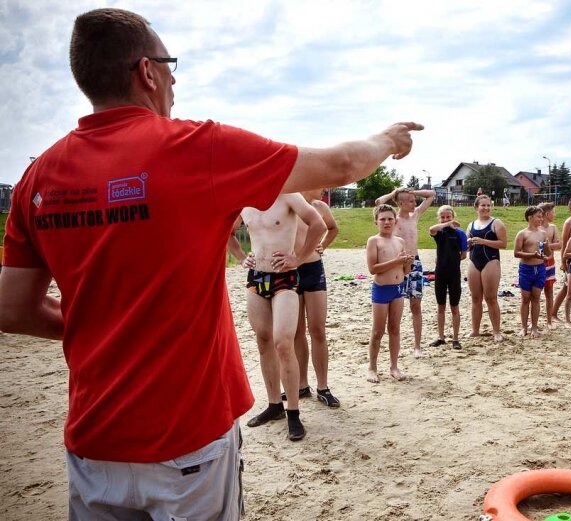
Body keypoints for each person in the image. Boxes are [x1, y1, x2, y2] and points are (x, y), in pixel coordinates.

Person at [0, 8, 422, 519]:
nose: (175, 78)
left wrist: (103, 330)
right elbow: (339, 164)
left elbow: (13, 309)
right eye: (169, 63)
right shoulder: (196, 148)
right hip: (188, 437)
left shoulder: (36, 179)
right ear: (147, 72)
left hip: (93, 442)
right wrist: (389, 139)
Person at [227, 194, 325, 441]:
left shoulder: (289, 195)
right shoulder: (245, 200)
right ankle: (274, 405)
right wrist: (240, 257)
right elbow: (225, 230)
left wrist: (299, 258)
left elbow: (319, 225)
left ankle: (293, 412)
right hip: (256, 278)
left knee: (283, 342)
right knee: (263, 341)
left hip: (286, 278)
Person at [292, 188, 340, 408]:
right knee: (296, 331)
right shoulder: (290, 203)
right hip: (290, 270)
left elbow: (333, 228)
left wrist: (323, 245)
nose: (324, 191)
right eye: (321, 187)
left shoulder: (320, 207)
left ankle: (323, 386)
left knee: (318, 330)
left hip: (313, 268)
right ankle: (302, 384)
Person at [374, 187, 435, 357]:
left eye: (413, 200)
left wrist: (413, 192)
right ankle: (395, 346)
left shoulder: (415, 215)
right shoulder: (393, 220)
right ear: (400, 203)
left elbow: (431, 195)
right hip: (397, 265)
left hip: (414, 262)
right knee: (395, 307)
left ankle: (417, 346)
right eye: (410, 200)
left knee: (416, 305)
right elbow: (379, 202)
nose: (414, 202)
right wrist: (396, 192)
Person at [366, 204, 413, 383]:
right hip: (381, 289)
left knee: (394, 329)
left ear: (395, 221)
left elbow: (405, 270)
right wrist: (397, 261)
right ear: (376, 221)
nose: (386, 222)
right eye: (382, 219)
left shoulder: (399, 241)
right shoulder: (374, 241)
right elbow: (373, 269)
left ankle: (394, 366)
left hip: (397, 289)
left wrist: (407, 261)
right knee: (378, 331)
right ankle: (372, 367)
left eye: (390, 219)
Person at [466, 194, 507, 342]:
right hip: (474, 261)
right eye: (483, 205)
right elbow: (466, 246)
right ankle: (475, 330)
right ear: (476, 207)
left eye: (488, 205)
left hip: (491, 261)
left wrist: (483, 241)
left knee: (490, 298)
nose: (486, 208)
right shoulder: (471, 225)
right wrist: (469, 242)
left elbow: (503, 244)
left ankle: (496, 331)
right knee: (475, 298)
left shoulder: (496, 223)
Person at [428, 205, 468, 350]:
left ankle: (455, 338)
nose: (446, 219)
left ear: (453, 216)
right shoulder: (440, 232)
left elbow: (464, 254)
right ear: (440, 218)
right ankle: (441, 336)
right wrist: (446, 224)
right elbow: (431, 229)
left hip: (454, 273)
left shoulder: (460, 234)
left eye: (448, 217)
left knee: (454, 307)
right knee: (440, 306)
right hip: (440, 272)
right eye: (443, 217)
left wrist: (452, 260)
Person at [513, 206, 551, 338]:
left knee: (536, 298)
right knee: (525, 299)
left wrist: (546, 248)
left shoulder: (543, 233)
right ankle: (524, 327)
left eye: (542, 216)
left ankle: (534, 327)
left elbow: (547, 253)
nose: (541, 219)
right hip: (526, 269)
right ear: (530, 217)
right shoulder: (522, 234)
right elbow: (516, 253)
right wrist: (532, 255)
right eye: (538, 216)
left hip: (540, 268)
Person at [537, 202, 562, 328]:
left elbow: (559, 244)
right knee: (534, 293)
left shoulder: (552, 228)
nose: (554, 214)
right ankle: (533, 321)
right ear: (547, 214)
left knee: (549, 291)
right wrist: (547, 246)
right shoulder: (536, 228)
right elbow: (535, 247)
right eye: (553, 212)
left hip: (550, 263)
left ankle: (549, 320)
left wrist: (546, 245)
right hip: (538, 262)